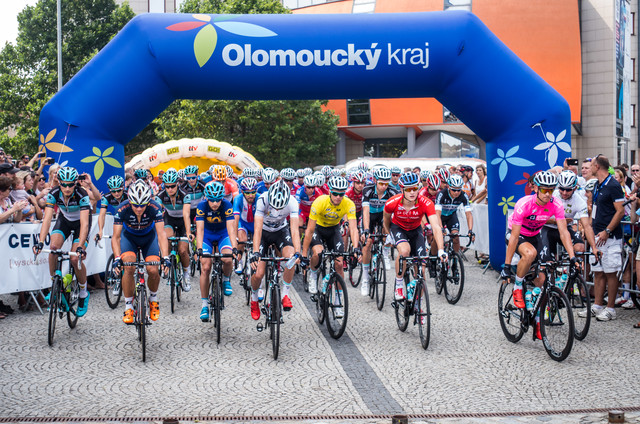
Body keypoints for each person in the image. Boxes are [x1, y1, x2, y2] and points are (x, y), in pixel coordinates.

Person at [500, 171, 578, 339]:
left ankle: (536, 319)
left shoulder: (556, 204)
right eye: (544, 190)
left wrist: (572, 257)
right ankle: (517, 287)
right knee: (530, 253)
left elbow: (564, 233)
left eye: (551, 190)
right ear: (536, 188)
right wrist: (506, 266)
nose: (548, 194)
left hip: (535, 235)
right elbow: (514, 237)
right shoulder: (524, 204)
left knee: (542, 281)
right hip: (517, 234)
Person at [33, 167, 91, 317]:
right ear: (59, 183)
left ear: (75, 183)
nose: (67, 188)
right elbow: (46, 220)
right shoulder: (53, 193)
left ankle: (84, 293)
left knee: (74, 258)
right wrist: (40, 242)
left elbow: (85, 224)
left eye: (70, 184)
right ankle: (55, 285)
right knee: (53, 248)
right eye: (63, 184)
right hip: (64, 221)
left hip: (80, 224)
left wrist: (80, 247)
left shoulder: (81, 195)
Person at [111, 180, 169, 324]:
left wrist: (166, 256)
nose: (138, 208)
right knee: (129, 267)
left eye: (142, 205)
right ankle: (129, 305)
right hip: (129, 238)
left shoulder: (155, 207)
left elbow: (161, 234)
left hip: (149, 238)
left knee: (153, 270)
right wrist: (117, 258)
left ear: (148, 202)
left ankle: (153, 299)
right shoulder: (122, 208)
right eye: (135, 205)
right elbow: (116, 237)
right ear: (129, 201)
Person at [383, 172, 446, 300]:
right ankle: (399, 284)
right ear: (402, 190)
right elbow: (386, 220)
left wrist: (441, 250)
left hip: (415, 230)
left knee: (421, 271)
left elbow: (436, 227)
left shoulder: (426, 203)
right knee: (405, 251)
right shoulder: (392, 202)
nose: (412, 192)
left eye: (415, 188)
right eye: (408, 189)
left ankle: (418, 305)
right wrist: (388, 234)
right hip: (398, 228)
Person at [579, 155, 625, 321]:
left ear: (597, 166)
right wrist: (589, 227)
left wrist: (607, 230)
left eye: (591, 165)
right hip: (597, 235)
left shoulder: (613, 185)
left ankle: (610, 308)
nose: (588, 167)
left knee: (611, 272)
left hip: (611, 237)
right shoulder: (598, 185)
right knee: (598, 271)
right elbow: (596, 209)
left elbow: (620, 211)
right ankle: (597, 306)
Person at [249, 181, 301, 320]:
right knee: (259, 274)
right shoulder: (262, 200)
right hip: (264, 233)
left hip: (280, 231)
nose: (277, 211)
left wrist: (298, 252)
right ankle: (254, 299)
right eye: (274, 207)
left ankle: (285, 294)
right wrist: (255, 252)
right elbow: (257, 229)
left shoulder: (292, 201)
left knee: (290, 258)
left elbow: (294, 230)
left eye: (281, 207)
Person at [302, 176, 360, 296]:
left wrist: (355, 248)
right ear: (330, 192)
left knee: (339, 263)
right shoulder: (320, 202)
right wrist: (303, 255)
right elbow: (309, 230)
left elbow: (353, 228)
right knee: (318, 253)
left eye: (341, 194)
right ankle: (313, 274)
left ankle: (338, 299)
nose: (338, 197)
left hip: (333, 230)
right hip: (318, 228)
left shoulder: (348, 204)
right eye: (335, 194)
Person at [195, 181, 238, 321]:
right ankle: (204, 305)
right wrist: (199, 249)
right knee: (206, 267)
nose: (214, 203)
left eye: (218, 199)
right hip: (207, 236)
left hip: (222, 235)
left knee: (227, 258)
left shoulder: (227, 205)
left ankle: (226, 279)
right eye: (212, 200)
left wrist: (235, 247)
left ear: (222, 198)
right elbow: (200, 229)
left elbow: (231, 229)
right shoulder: (201, 206)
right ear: (207, 198)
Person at [360, 166, 398, 295]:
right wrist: (366, 230)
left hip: (383, 216)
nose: (384, 186)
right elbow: (365, 211)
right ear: (375, 180)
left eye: (386, 183)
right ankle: (365, 278)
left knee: (387, 232)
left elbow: (394, 214)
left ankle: (385, 253)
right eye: (381, 183)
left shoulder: (392, 192)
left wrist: (391, 233)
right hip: (369, 216)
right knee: (368, 244)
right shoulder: (367, 190)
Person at [155, 169, 191, 291]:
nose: (170, 189)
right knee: (167, 239)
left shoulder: (185, 194)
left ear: (177, 184)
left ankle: (186, 274)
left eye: (172, 186)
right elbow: (158, 214)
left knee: (182, 250)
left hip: (182, 222)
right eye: (167, 186)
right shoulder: (160, 196)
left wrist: (189, 232)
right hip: (169, 220)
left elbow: (186, 215)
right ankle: (168, 265)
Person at [434, 174, 475, 254]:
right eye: (454, 190)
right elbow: (437, 214)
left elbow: (469, 214)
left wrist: (470, 230)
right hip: (440, 217)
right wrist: (441, 228)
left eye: (459, 190)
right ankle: (434, 259)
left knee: (455, 237)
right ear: (449, 187)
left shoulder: (463, 195)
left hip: (451, 216)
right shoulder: (442, 194)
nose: (456, 192)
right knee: (438, 238)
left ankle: (455, 258)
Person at [233, 177, 258, 274]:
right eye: (247, 192)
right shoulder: (238, 199)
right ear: (242, 192)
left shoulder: (259, 198)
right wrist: (235, 237)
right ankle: (239, 262)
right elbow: (236, 219)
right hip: (243, 223)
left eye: (253, 192)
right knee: (242, 240)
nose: (251, 195)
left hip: (255, 223)